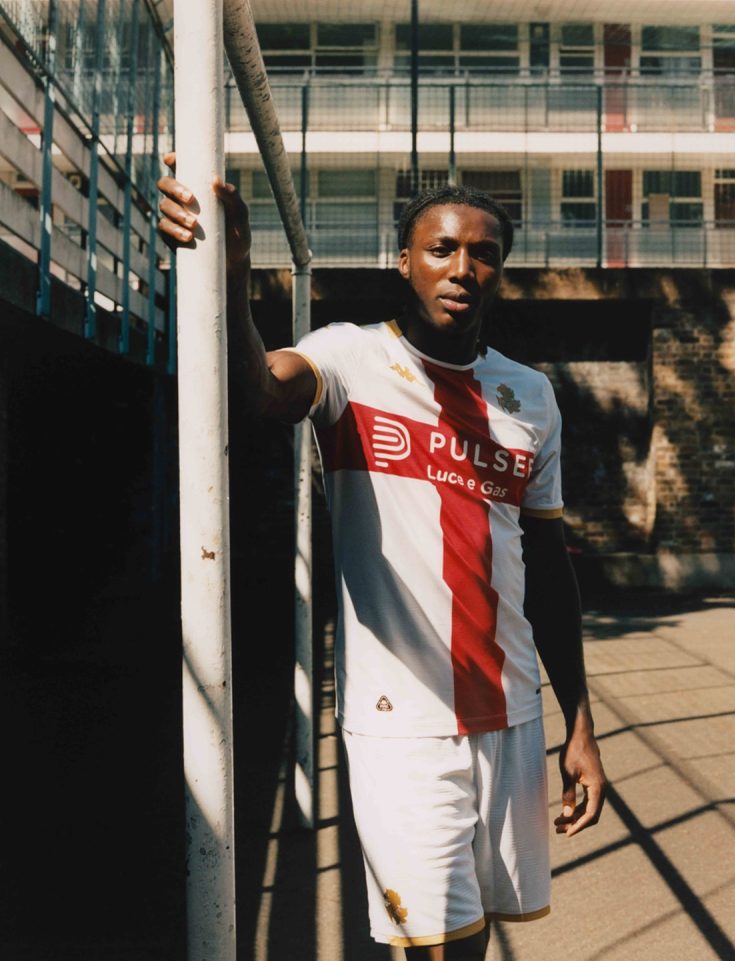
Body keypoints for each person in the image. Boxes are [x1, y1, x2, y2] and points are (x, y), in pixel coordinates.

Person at [158, 156, 607, 961]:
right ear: (404, 260)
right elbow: (262, 390)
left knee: (471, 935)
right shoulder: (351, 358)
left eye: (483, 254)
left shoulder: (530, 397)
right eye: (441, 248)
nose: (463, 267)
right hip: (401, 722)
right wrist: (230, 276)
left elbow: (547, 568)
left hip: (511, 712)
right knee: (438, 942)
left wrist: (581, 723)